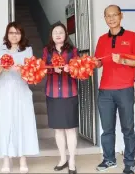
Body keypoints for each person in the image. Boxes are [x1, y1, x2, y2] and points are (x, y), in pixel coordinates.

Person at [94, 5, 135, 174]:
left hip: (125, 90)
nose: (111, 18)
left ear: (121, 16)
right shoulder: (102, 39)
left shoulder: (132, 37)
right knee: (107, 129)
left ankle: (129, 162)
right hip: (105, 91)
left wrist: (122, 60)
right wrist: (93, 63)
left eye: (114, 15)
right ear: (105, 18)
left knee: (128, 128)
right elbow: (99, 61)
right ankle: (109, 159)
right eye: (108, 16)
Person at [0, 22, 39, 173]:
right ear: (7, 34)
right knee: (5, 123)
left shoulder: (27, 50)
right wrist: (2, 65)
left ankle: (23, 158)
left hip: (21, 91)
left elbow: (31, 75)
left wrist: (22, 70)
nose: (14, 35)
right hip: (4, 91)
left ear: (21, 35)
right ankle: (6, 158)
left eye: (17, 33)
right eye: (11, 32)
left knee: (22, 122)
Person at [42, 22, 79, 174]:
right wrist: (52, 69)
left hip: (69, 92)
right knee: (58, 130)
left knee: (70, 129)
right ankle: (62, 158)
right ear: (51, 35)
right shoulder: (47, 50)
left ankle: (72, 161)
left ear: (65, 35)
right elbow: (43, 67)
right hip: (52, 93)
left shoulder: (73, 50)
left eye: (61, 32)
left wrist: (71, 68)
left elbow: (78, 69)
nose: (58, 34)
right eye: (55, 32)